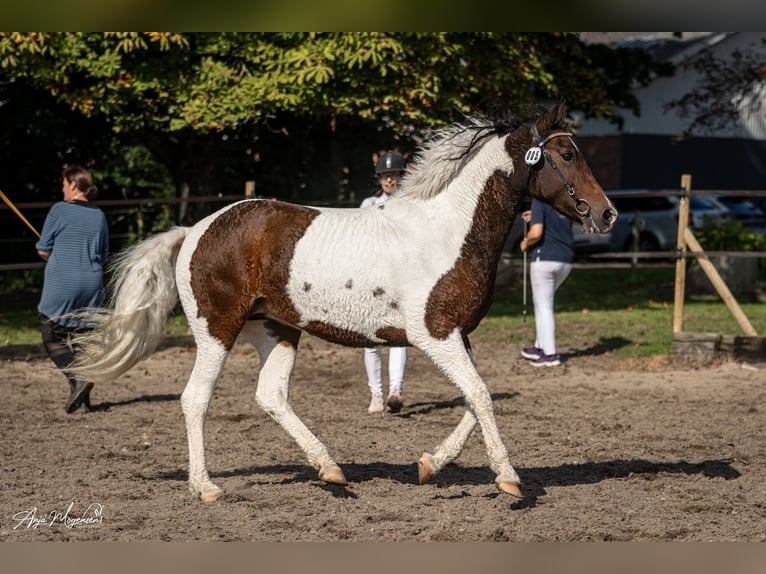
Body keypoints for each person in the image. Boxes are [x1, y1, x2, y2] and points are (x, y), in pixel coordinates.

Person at [36, 165, 109, 413]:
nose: (62, 189)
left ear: (73, 184)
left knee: (52, 336)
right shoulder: (99, 214)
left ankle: (78, 378)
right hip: (91, 281)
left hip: (63, 281)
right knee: (81, 338)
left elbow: (43, 249)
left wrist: (54, 251)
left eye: (64, 185)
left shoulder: (59, 209)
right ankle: (84, 400)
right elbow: (103, 252)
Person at [360, 150, 408, 413]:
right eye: (385, 176)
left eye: (393, 175)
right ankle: (376, 393)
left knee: (399, 336)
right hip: (372, 276)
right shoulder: (368, 203)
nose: (389, 180)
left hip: (400, 276)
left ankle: (395, 389)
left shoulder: (409, 202)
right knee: (370, 338)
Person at [519, 198, 574, 367]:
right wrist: (535, 215)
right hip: (566, 261)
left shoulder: (539, 201)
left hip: (545, 259)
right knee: (543, 303)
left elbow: (536, 233)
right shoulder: (564, 202)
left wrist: (525, 242)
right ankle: (540, 346)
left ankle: (550, 354)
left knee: (543, 306)